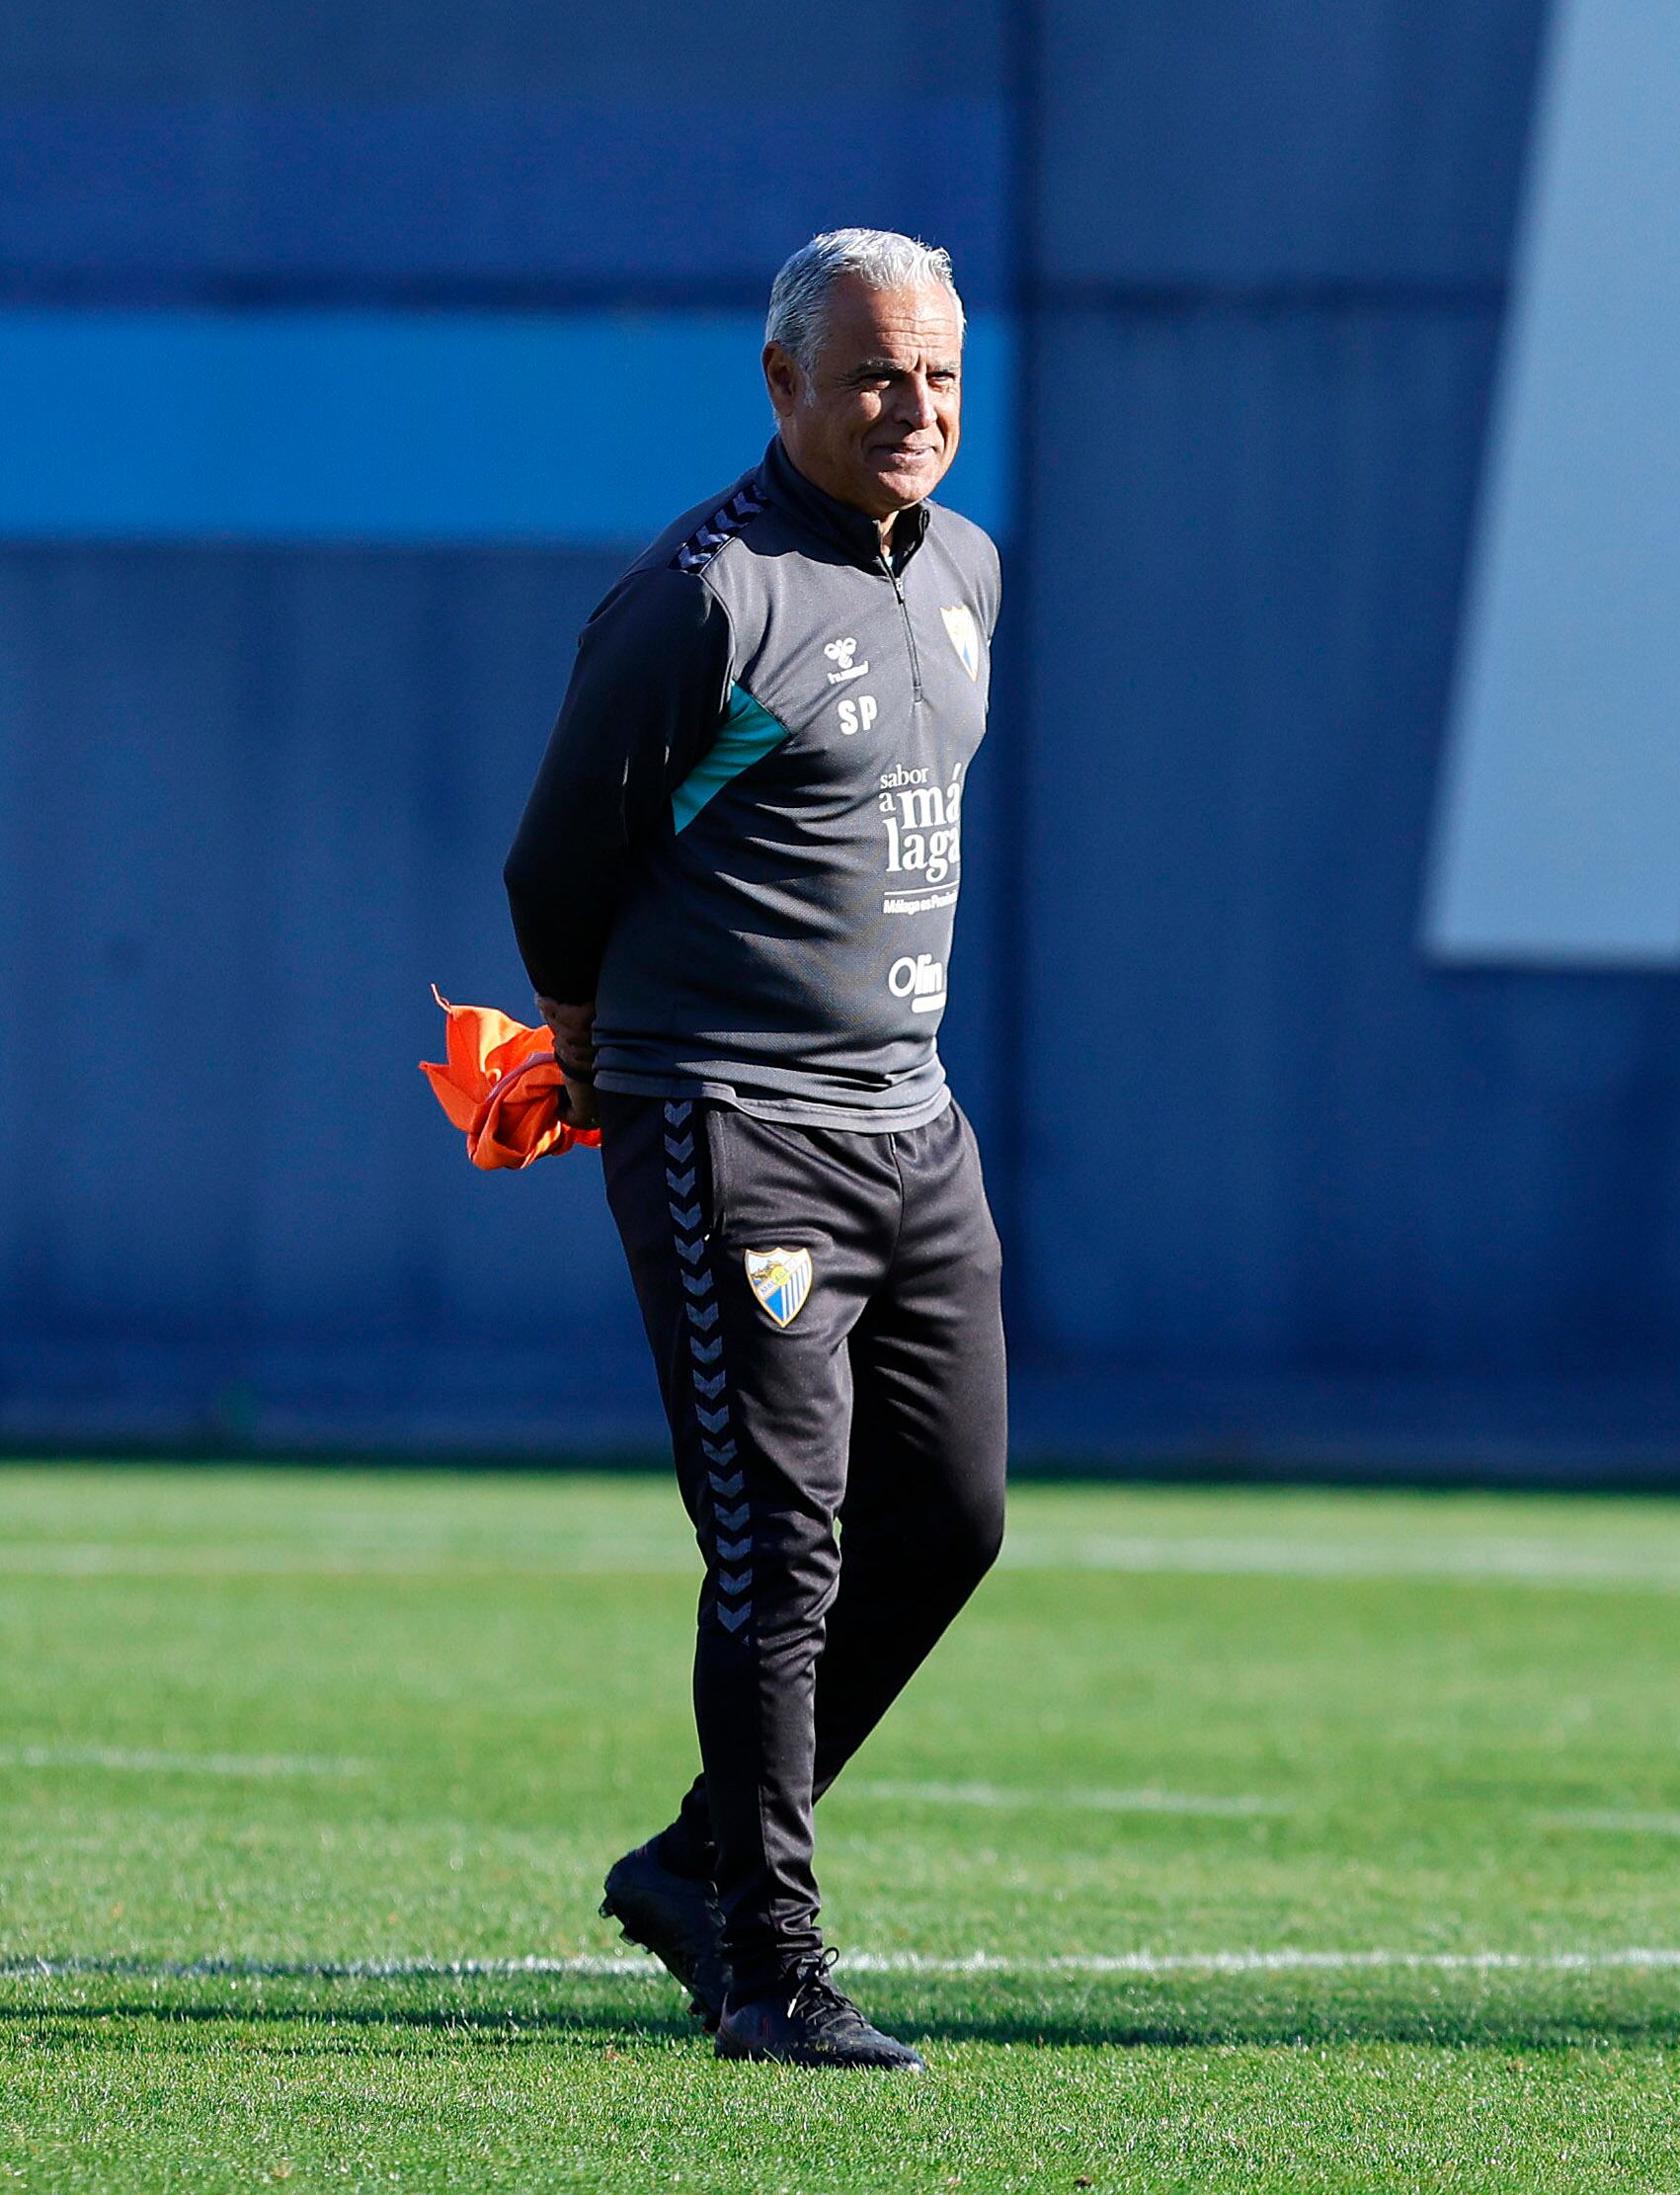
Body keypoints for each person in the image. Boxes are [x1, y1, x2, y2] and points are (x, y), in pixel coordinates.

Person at [502, 228, 1005, 2071]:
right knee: (778, 1546)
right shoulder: (703, 597)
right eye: (878, 374)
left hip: (912, 1123)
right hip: (735, 1127)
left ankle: (697, 1861)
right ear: (783, 381)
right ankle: (770, 1967)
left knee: (949, 1519)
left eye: (942, 375)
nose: (916, 408)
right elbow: (554, 867)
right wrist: (590, 1053)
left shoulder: (964, 570)